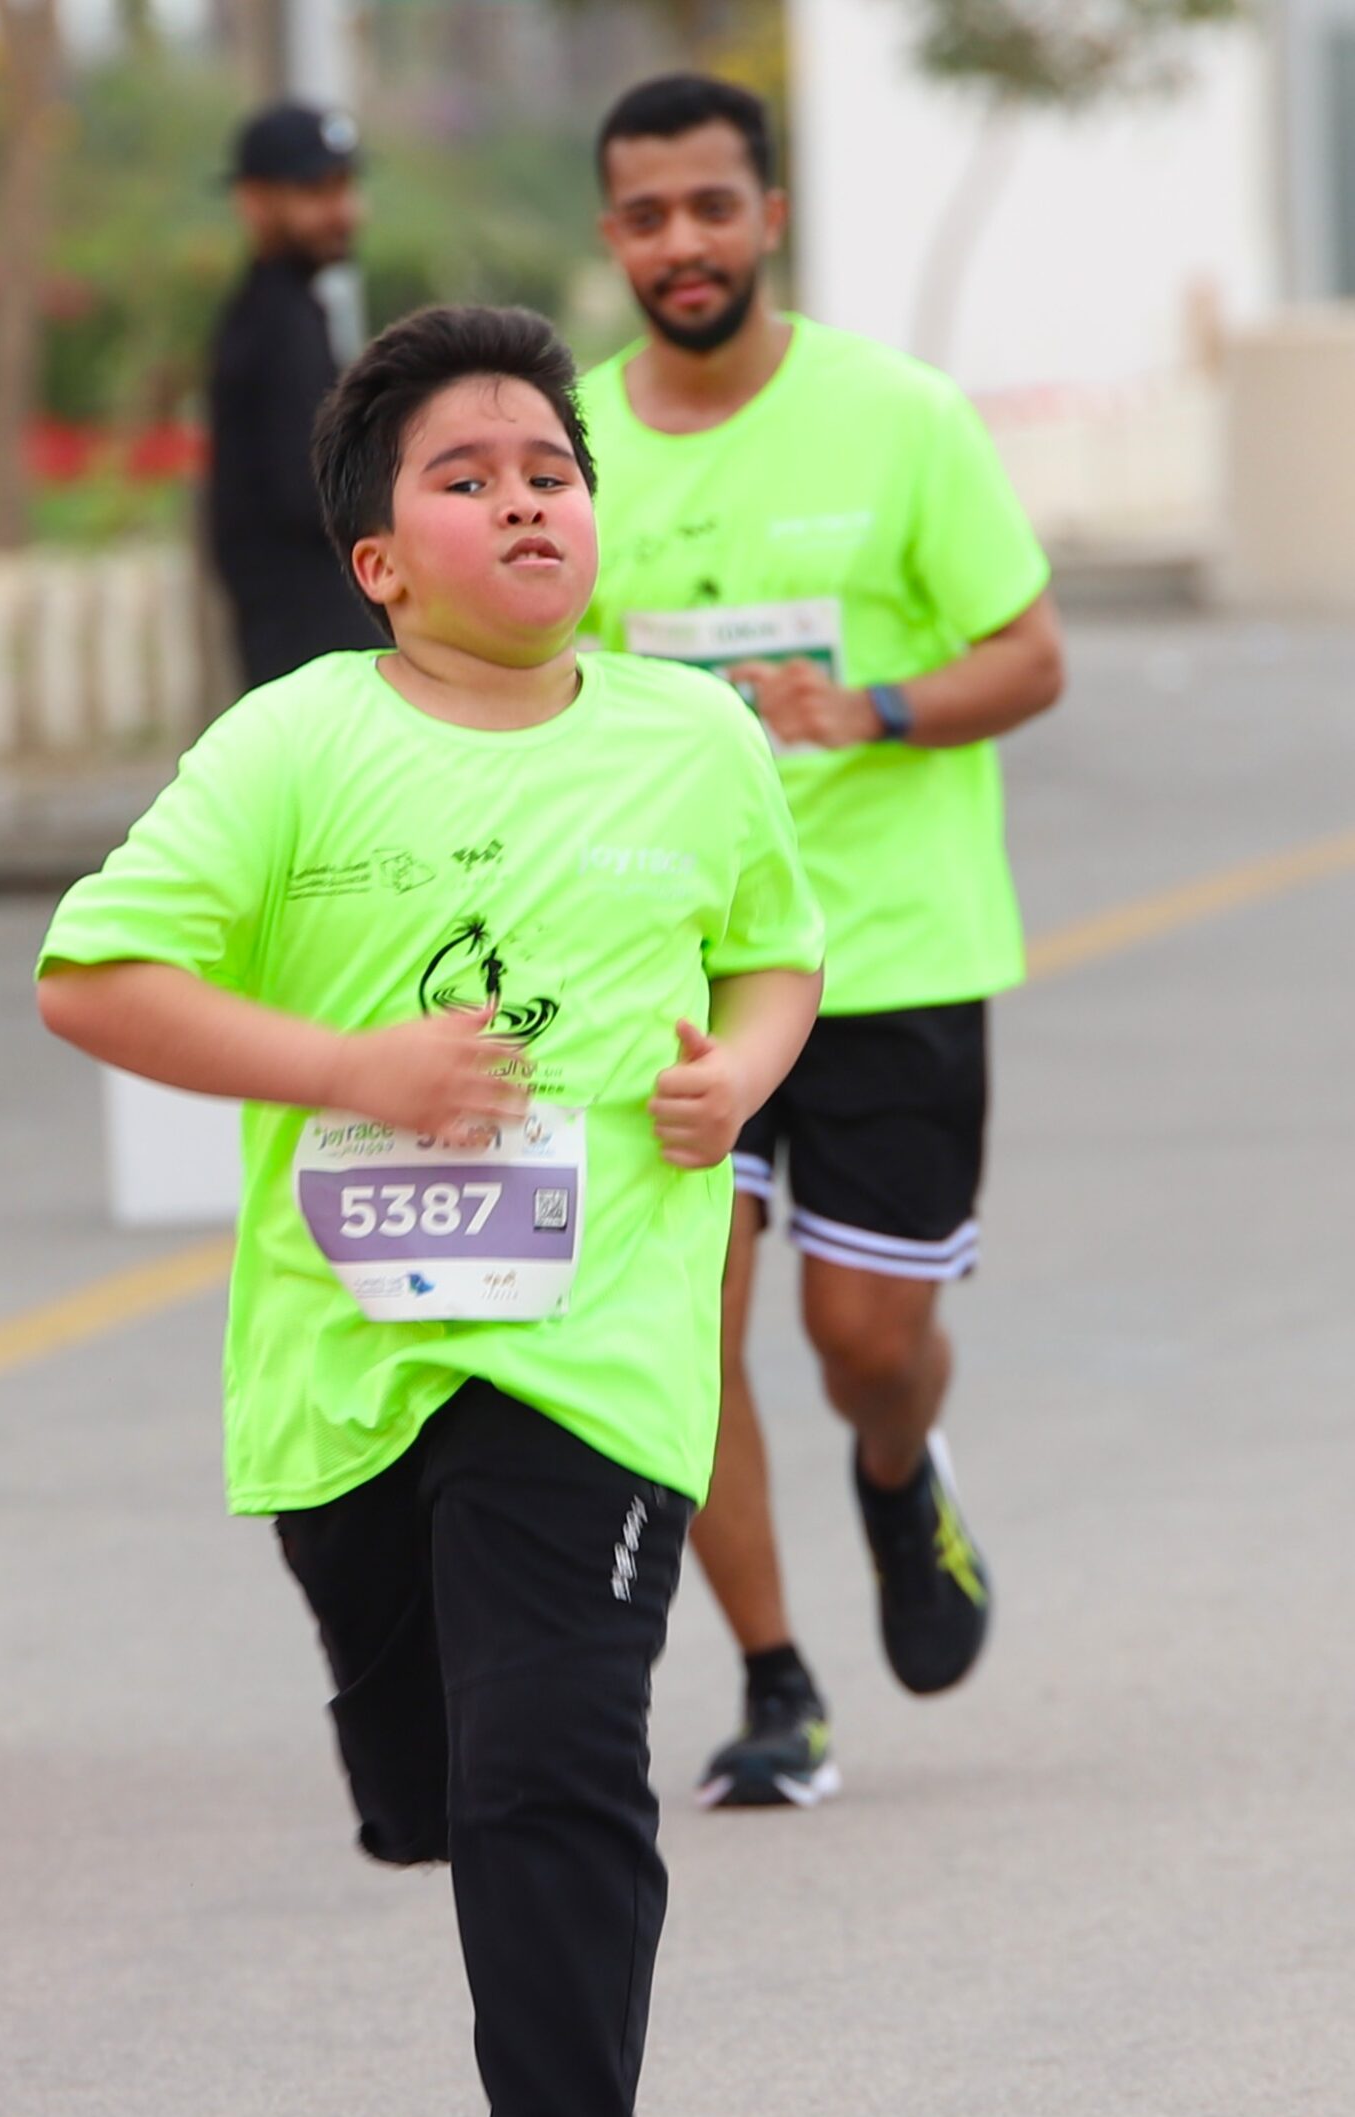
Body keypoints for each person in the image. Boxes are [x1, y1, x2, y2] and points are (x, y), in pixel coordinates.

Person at [37, 304, 824, 2117]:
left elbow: (776, 949)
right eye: (466, 479)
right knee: (435, 1783)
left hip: (595, 1354)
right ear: (378, 558)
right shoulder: (293, 743)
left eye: (550, 470)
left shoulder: (692, 738)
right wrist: (353, 1068)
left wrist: (739, 1074)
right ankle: (451, 1807)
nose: (524, 502)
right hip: (347, 1371)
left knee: (551, 1759)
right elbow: (92, 975)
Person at [582, 74, 1066, 1811]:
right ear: (611, 235)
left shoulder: (898, 417)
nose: (682, 243)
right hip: (671, 972)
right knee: (681, 1340)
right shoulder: (571, 445)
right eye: (647, 214)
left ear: (767, 218)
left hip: (888, 954)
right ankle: (773, 1681)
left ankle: (895, 1464)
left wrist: (870, 707)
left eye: (711, 207)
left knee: (860, 1339)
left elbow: (1027, 656)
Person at [206, 100, 379, 687]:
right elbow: (309, 489)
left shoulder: (287, 310)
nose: (343, 211)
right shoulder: (276, 324)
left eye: (346, 188)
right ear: (253, 202)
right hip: (309, 640)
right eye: (316, 192)